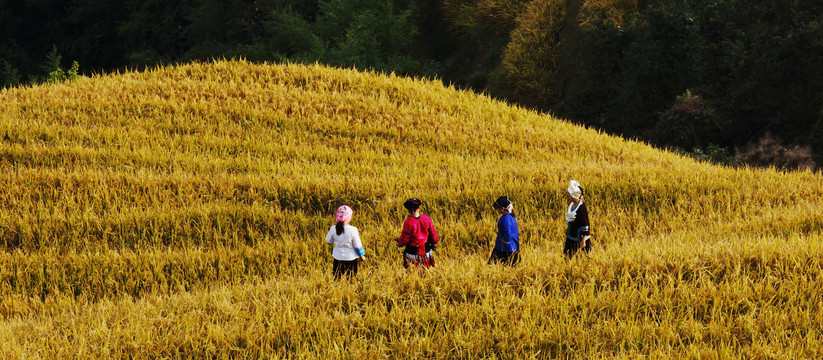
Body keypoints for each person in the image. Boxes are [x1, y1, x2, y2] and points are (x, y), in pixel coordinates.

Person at [395, 198, 439, 269]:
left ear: (408, 210)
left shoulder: (408, 222)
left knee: (412, 271)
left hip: (412, 252)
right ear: (419, 207)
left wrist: (399, 242)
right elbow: (434, 236)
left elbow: (405, 239)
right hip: (426, 250)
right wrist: (434, 242)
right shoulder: (426, 219)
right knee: (426, 270)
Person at [325, 205, 366, 279]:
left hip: (337, 257)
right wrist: (361, 255)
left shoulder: (333, 228)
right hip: (351, 258)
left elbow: (328, 241)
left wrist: (335, 240)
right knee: (351, 279)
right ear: (349, 217)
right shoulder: (353, 230)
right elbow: (357, 245)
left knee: (337, 278)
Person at [488, 196, 520, 266]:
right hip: (513, 247)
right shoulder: (512, 216)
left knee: (491, 265)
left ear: (502, 208)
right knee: (511, 268)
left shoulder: (506, 218)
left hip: (504, 249)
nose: (496, 211)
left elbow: (508, 231)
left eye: (497, 209)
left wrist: (505, 240)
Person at [564, 180, 591, 258]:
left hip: (579, 239)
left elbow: (585, 225)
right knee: (567, 257)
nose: (568, 196)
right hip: (571, 236)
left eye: (569, 195)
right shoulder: (572, 205)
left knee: (582, 258)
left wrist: (583, 241)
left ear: (574, 196)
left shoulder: (581, 209)